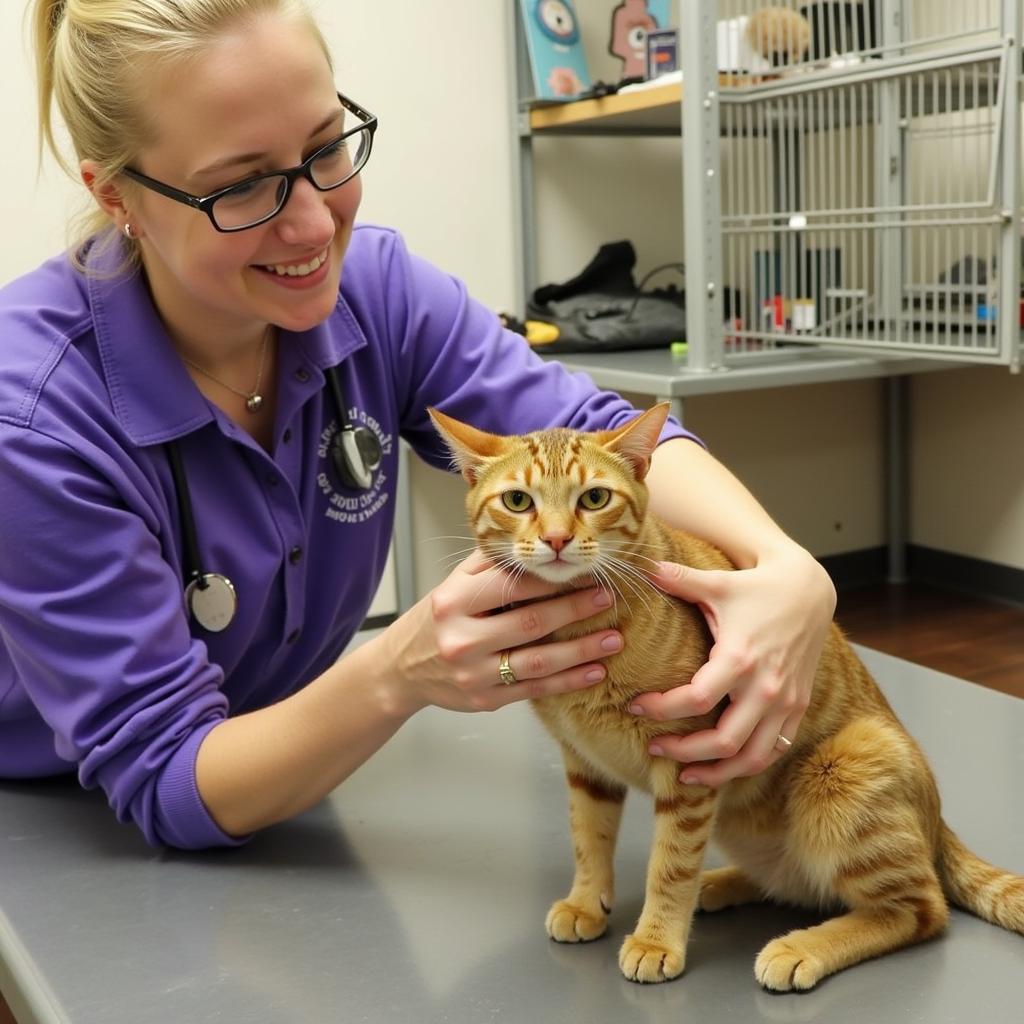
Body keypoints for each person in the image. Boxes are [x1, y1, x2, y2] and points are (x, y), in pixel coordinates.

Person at [0, 0, 835, 851]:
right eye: (241, 186)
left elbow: (589, 427)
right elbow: (168, 777)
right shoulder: (31, 417)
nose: (316, 223)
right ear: (117, 196)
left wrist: (788, 570)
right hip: (54, 820)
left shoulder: (377, 290)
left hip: (287, 760)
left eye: (326, 148)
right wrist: (400, 673)